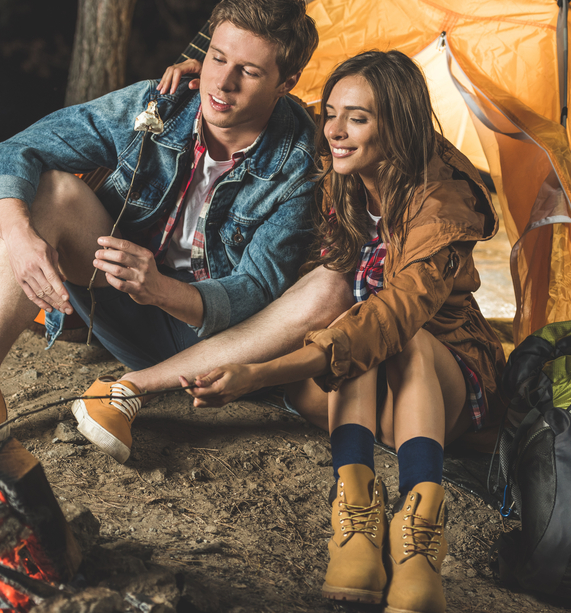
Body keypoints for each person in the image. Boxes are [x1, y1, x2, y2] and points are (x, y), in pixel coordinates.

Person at [0, 0, 320, 464]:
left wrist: (162, 290)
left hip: (212, 339)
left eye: (249, 71)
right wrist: (21, 238)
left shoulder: (299, 165)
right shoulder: (160, 103)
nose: (222, 84)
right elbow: (17, 150)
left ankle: (130, 389)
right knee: (54, 191)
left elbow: (258, 290)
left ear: (286, 83)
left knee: (327, 290)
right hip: (117, 303)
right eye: (218, 59)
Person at [183, 51, 507, 613]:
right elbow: (273, 103)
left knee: (391, 338)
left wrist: (257, 370)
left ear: (397, 124)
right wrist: (190, 72)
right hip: (368, 386)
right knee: (344, 343)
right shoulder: (346, 173)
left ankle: (420, 536)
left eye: (357, 118)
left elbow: (392, 317)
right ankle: (356, 514)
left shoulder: (442, 203)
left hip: (444, 379)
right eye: (332, 114)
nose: (335, 130)